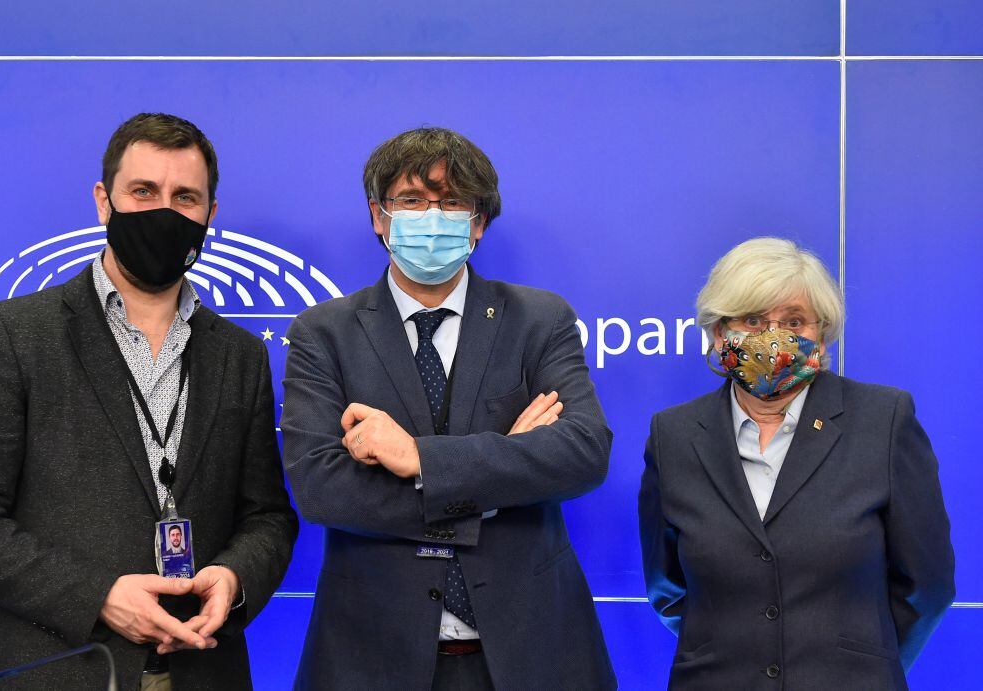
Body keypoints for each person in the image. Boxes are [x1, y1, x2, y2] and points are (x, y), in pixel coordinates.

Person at [0, 113, 298, 691]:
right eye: (143, 191)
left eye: (185, 197)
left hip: (202, 668)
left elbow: (267, 516)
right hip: (52, 669)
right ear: (105, 201)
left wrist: (234, 578)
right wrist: (98, 597)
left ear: (209, 216)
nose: (163, 210)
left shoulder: (241, 355)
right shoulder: (14, 335)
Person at [281, 127, 616, 690]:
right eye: (411, 201)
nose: (431, 218)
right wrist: (499, 475)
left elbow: (583, 451)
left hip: (532, 654)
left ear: (479, 222)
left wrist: (420, 460)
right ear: (378, 217)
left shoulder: (539, 320)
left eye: (452, 203)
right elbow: (320, 487)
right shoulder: (324, 334)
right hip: (371, 656)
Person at [639, 237, 955, 689]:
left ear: (821, 334)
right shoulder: (674, 435)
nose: (775, 338)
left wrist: (868, 665)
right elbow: (667, 588)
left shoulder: (883, 421)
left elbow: (928, 586)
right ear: (717, 332)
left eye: (794, 321)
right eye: (752, 320)